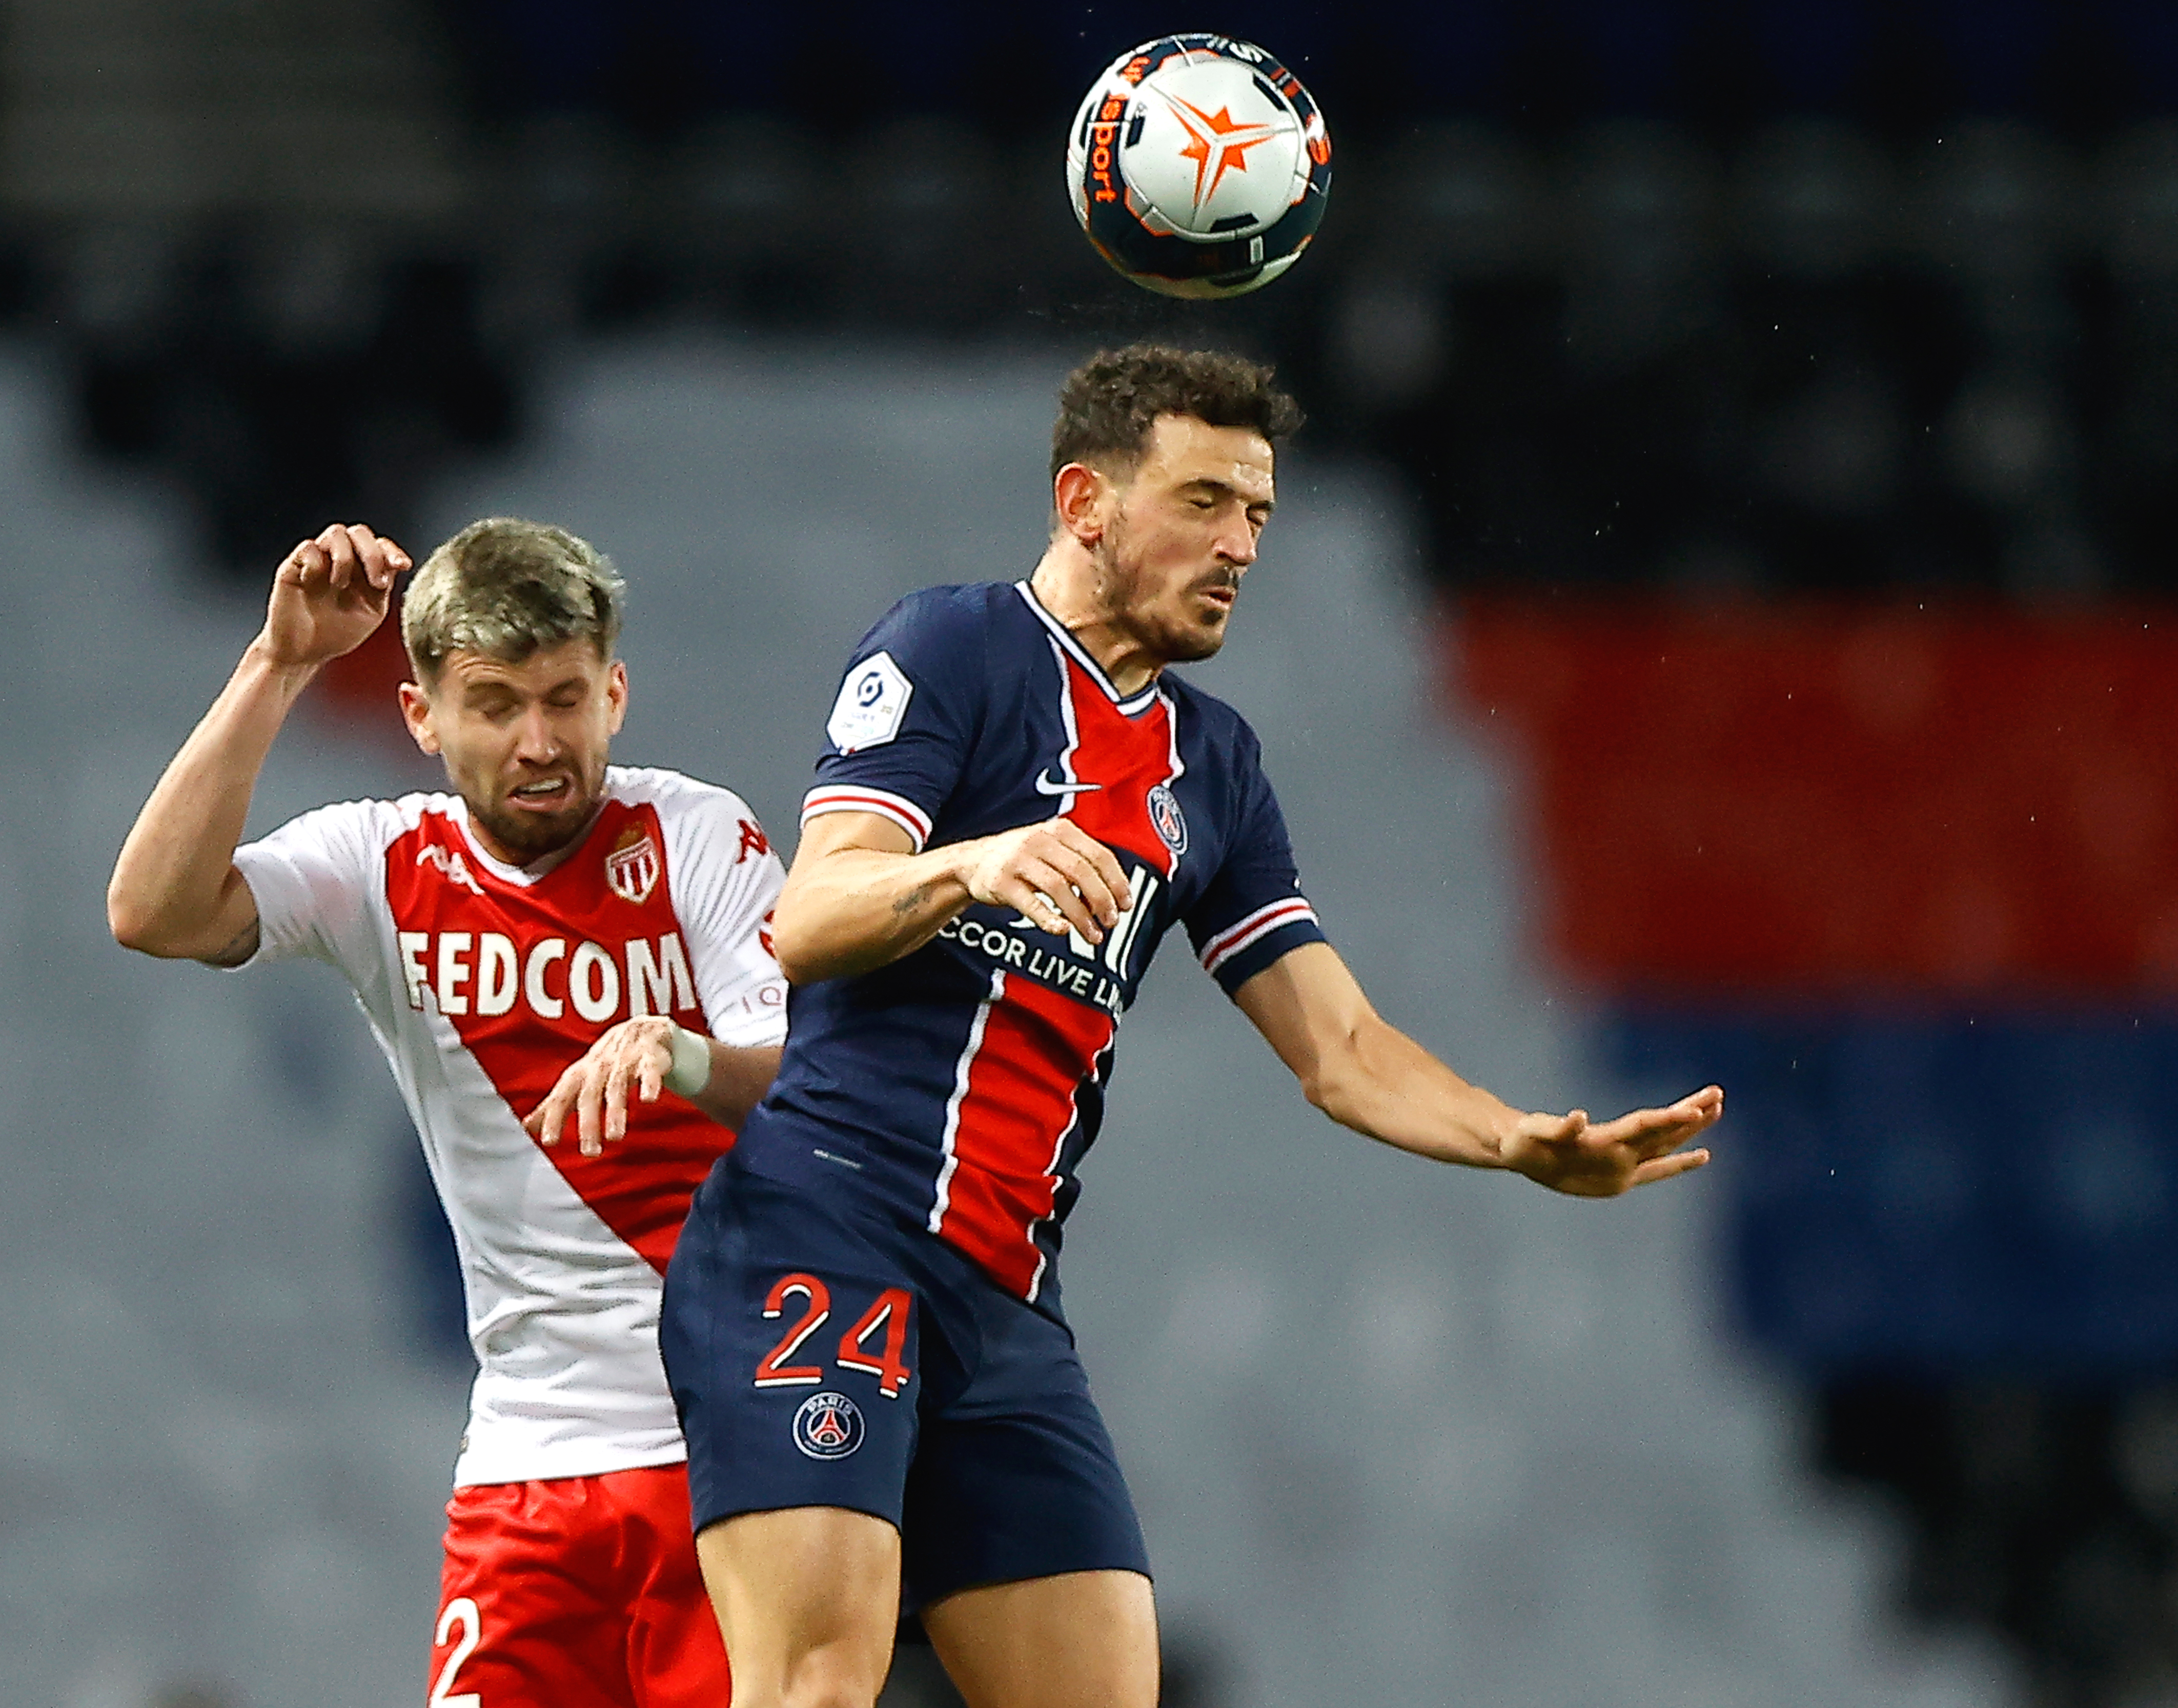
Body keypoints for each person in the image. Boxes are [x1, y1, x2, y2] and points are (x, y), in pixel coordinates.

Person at [657, 345, 1726, 1708]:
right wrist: (970, 864)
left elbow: (1340, 1048)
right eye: (1206, 501)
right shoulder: (953, 646)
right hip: (823, 1231)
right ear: (1087, 501)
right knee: (816, 1680)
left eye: (1260, 515)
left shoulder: (1211, 765)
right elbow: (806, 917)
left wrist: (1518, 1139)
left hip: (1004, 1300)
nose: (1239, 545)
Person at [107, 517, 787, 1708]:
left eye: (566, 699)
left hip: (726, 1445)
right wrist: (279, 665)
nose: (540, 741)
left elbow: (808, 1072)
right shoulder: (380, 863)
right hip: (525, 1465)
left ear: (615, 693)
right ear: (423, 718)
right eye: (496, 704)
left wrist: (682, 1056)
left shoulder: (689, 832)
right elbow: (153, 911)